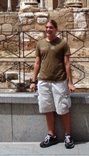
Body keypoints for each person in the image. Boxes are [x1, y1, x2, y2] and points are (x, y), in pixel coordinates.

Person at [30, 19, 76, 149]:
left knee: (63, 108)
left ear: (56, 29)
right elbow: (37, 63)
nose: (48, 29)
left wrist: (70, 83)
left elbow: (67, 64)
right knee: (47, 109)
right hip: (43, 81)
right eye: (46, 27)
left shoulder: (62, 43)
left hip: (59, 81)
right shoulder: (40, 43)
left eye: (51, 27)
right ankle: (51, 135)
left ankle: (68, 135)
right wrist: (33, 81)